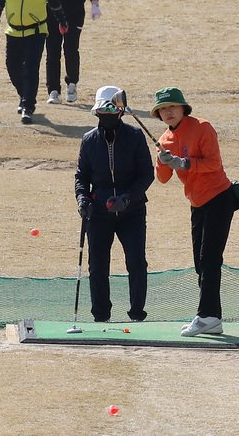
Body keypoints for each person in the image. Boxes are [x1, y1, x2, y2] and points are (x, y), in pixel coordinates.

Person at [154, 87, 239, 337]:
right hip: (197, 203)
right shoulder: (164, 140)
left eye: (172, 106)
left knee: (209, 259)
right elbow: (162, 178)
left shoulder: (202, 127)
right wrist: (162, 161)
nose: (168, 112)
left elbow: (214, 163)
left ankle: (206, 316)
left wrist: (185, 162)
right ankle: (213, 319)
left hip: (219, 197)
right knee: (200, 263)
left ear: (183, 108)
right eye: (163, 109)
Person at [75, 86, 154, 323]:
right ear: (97, 113)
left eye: (112, 111)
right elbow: (82, 177)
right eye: (103, 112)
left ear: (120, 113)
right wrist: (82, 199)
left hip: (132, 211)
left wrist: (128, 197)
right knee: (97, 265)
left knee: (136, 262)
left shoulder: (135, 136)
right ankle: (101, 315)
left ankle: (137, 314)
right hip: (99, 213)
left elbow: (146, 174)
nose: (107, 116)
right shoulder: (89, 140)